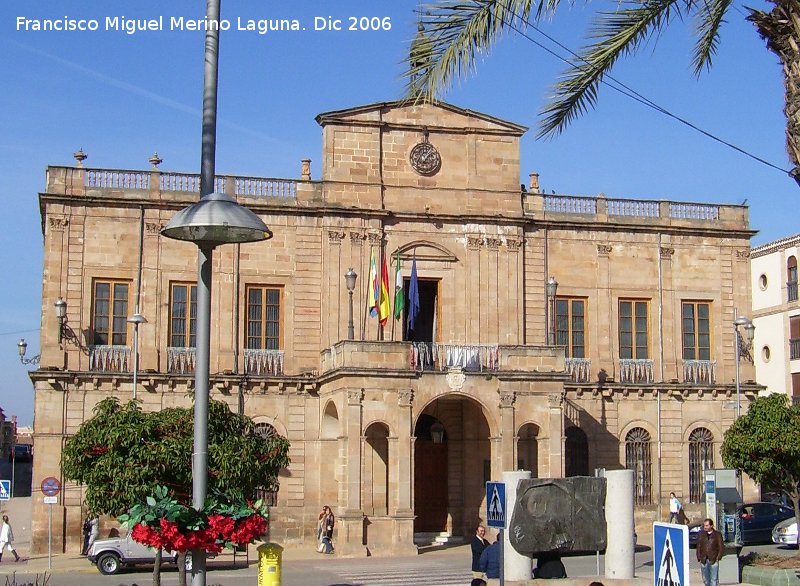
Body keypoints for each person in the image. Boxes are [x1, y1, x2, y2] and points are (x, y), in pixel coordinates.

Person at [696, 518, 724, 586]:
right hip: (703, 559)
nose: (705, 527)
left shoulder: (717, 534)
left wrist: (718, 557)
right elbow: (698, 546)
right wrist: (699, 556)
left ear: (711, 526)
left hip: (713, 559)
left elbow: (721, 547)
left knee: (713, 580)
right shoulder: (701, 534)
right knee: (705, 579)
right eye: (704, 525)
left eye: (707, 525)